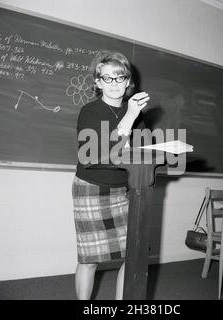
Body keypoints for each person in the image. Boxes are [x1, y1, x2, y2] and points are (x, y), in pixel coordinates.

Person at [72, 50, 150, 300]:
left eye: (119, 77)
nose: (114, 84)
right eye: (107, 78)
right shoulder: (91, 111)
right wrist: (129, 116)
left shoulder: (137, 116)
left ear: (128, 81)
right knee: (90, 259)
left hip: (124, 189)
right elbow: (95, 154)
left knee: (132, 255)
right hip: (91, 187)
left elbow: (139, 152)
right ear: (97, 82)